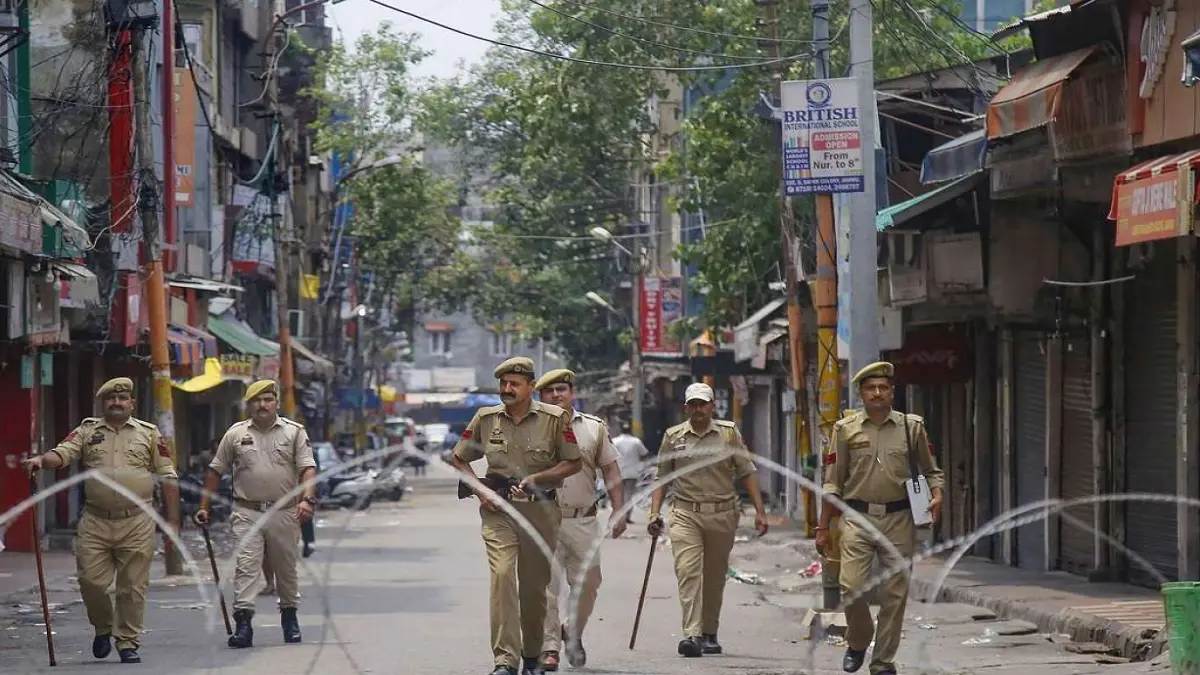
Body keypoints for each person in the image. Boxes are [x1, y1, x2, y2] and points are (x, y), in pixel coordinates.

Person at [22, 377, 180, 664]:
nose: (116, 403)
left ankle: (127, 642)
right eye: (111, 399)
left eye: (122, 399)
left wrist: (173, 521)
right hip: (95, 521)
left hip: (137, 521)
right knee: (91, 582)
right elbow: (63, 453)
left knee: (132, 587)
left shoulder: (149, 434)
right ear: (103, 403)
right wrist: (41, 461)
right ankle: (104, 628)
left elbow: (168, 475)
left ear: (132, 403)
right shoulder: (87, 431)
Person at [450, 357, 583, 675]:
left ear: (531, 387)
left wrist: (538, 479)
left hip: (541, 512)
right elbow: (458, 458)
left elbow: (573, 462)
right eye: (503, 383)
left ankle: (533, 654)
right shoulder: (485, 418)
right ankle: (504, 660)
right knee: (502, 577)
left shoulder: (555, 419)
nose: (507, 389)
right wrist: (482, 493)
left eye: (514, 384)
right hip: (500, 512)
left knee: (534, 588)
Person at [817, 361, 944, 675]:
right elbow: (833, 481)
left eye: (883, 388)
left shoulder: (911, 426)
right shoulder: (844, 430)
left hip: (899, 518)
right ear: (860, 393)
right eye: (871, 388)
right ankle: (859, 640)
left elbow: (931, 470)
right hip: (856, 517)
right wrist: (823, 527)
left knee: (895, 594)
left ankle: (883, 661)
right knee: (851, 587)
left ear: (892, 393)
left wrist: (937, 492)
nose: (877, 393)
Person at [647, 382, 769, 658]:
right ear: (686, 407)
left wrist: (760, 512)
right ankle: (691, 634)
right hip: (685, 513)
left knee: (714, 577)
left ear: (713, 406)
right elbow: (661, 477)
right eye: (693, 404)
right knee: (688, 572)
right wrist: (654, 514)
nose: (698, 409)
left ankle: (709, 633)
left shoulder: (728, 434)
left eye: (703, 404)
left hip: (723, 513)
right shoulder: (673, 437)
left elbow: (747, 471)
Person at [195, 379, 318, 650]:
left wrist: (307, 500)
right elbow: (215, 471)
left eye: (267, 400)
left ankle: (289, 617)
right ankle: (244, 625)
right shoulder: (235, 435)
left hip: (284, 512)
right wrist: (203, 507)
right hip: (246, 511)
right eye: (256, 401)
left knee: (285, 569)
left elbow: (308, 469)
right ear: (248, 405)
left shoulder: (294, 432)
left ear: (275, 402)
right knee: (246, 567)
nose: (262, 405)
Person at [533, 369, 627, 671]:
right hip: (542, 520)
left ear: (573, 393)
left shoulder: (593, 428)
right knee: (547, 587)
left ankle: (572, 633)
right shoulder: (530, 429)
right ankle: (549, 648)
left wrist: (618, 510)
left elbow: (611, 470)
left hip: (583, 520)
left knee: (588, 584)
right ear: (540, 396)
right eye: (549, 391)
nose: (556, 395)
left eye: (562, 389)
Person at [611, 421, 649, 524]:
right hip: (632, 472)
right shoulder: (636, 441)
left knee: (618, 494)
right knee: (629, 494)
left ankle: (619, 515)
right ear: (630, 430)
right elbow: (644, 453)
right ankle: (626, 516)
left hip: (617, 472)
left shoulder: (615, 441)